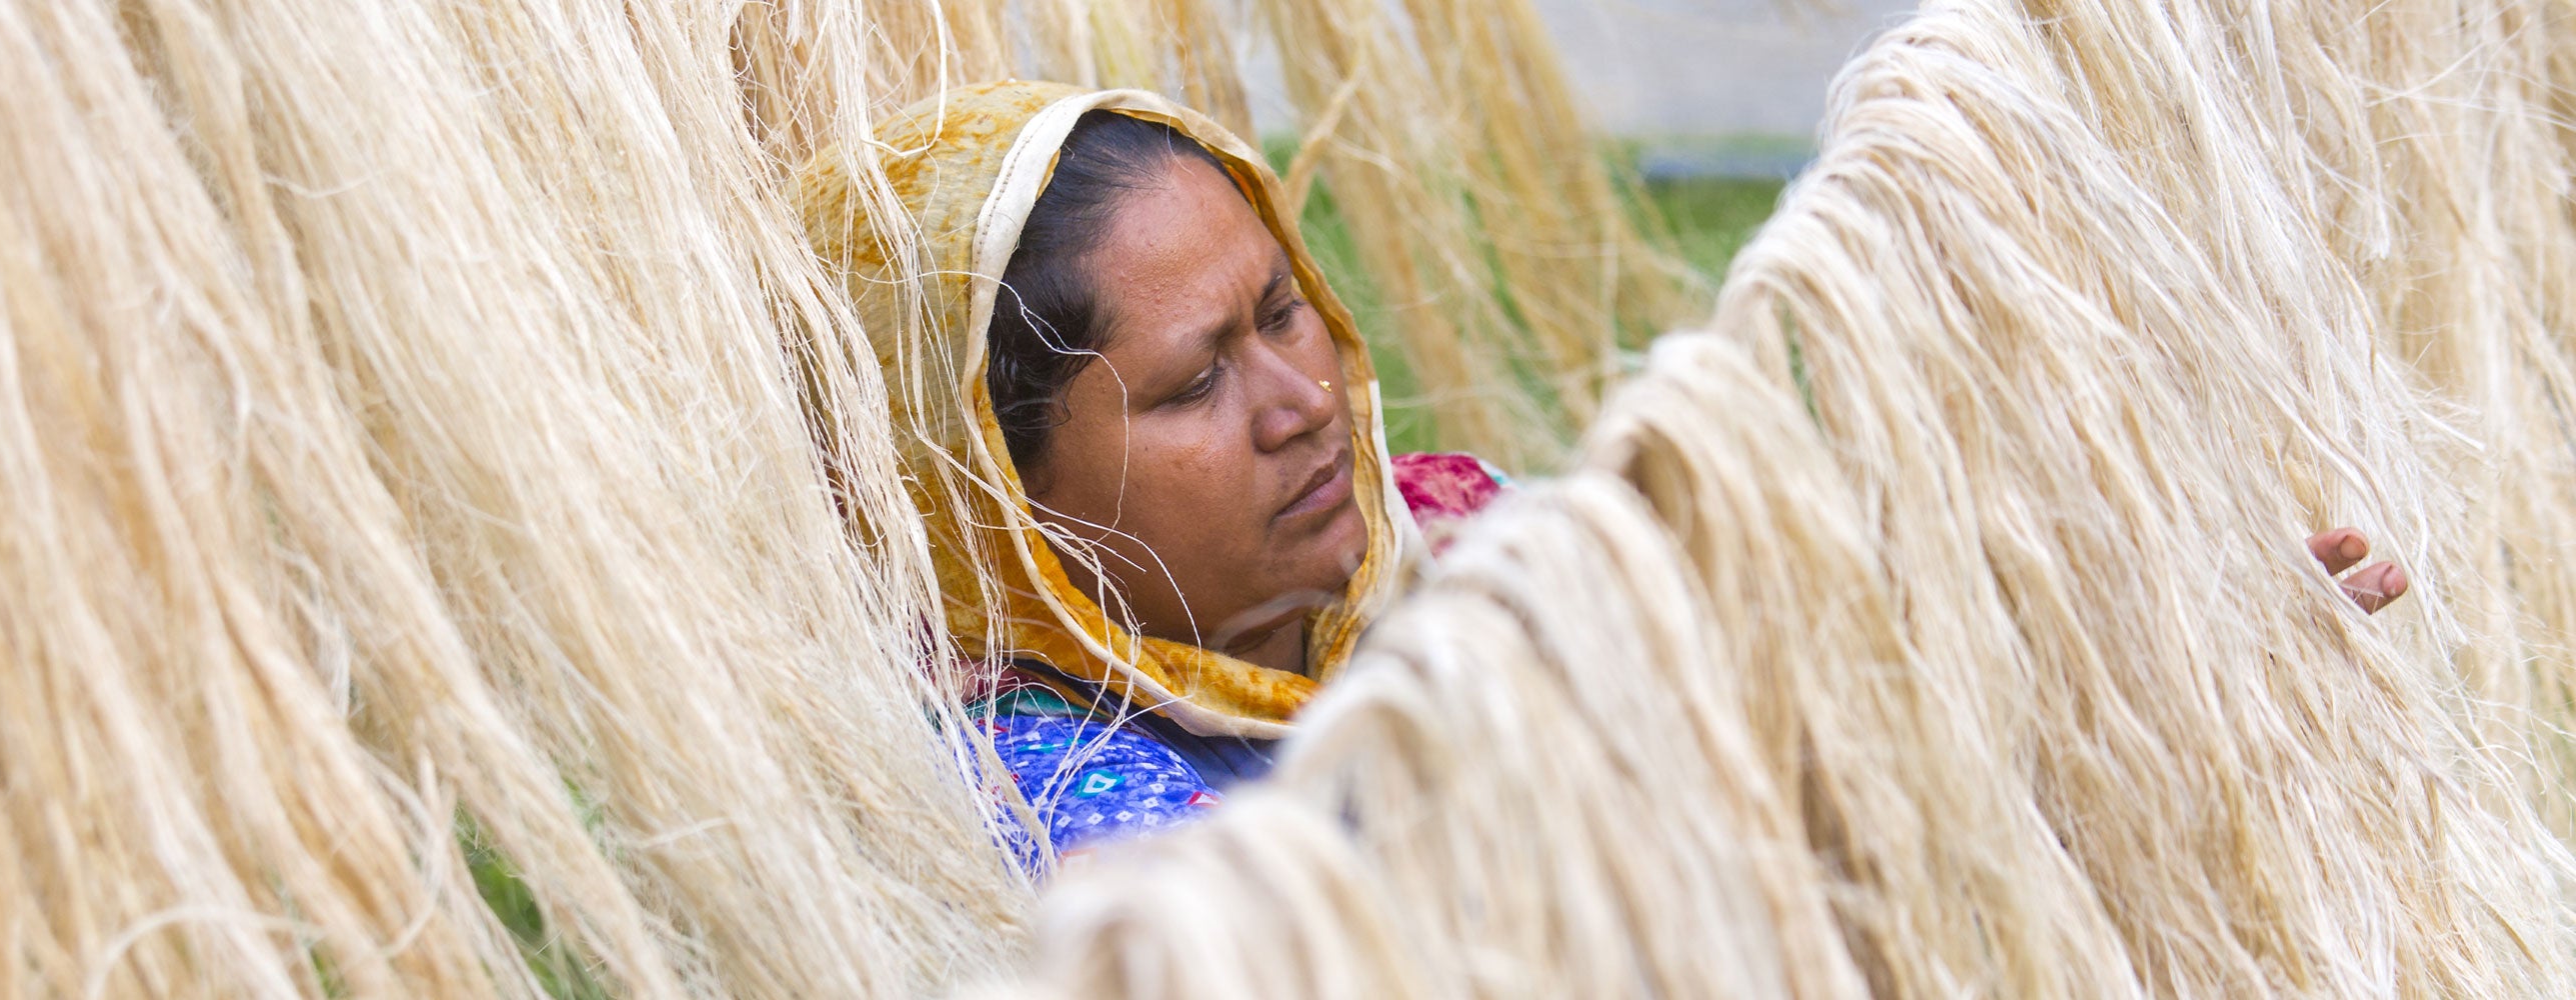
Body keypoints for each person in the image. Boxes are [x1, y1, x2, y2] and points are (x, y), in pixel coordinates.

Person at [795, 81, 2410, 870]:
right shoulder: (1043, 802)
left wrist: (2160, 654)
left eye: (1284, 309)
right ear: (998, 494)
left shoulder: (1454, 528)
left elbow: (1815, 715)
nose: (1297, 401)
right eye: (1193, 381)